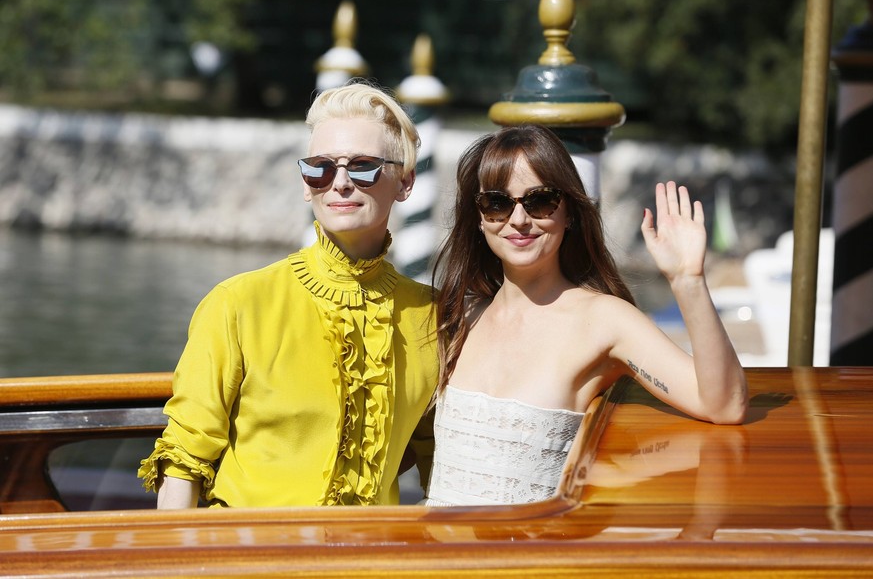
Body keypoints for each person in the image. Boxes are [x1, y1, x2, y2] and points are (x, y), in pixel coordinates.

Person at [138, 82, 438, 508]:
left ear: (405, 182)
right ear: (305, 183)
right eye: (321, 167)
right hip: (247, 562)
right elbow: (185, 460)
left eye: (364, 166)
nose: (340, 183)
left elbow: (442, 466)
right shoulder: (238, 303)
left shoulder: (432, 316)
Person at [423, 124, 748, 506]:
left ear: (570, 213)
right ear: (479, 219)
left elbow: (723, 404)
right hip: (433, 561)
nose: (519, 219)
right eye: (497, 204)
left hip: (525, 563)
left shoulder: (603, 320)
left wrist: (687, 280)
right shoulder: (463, 316)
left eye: (540, 201)